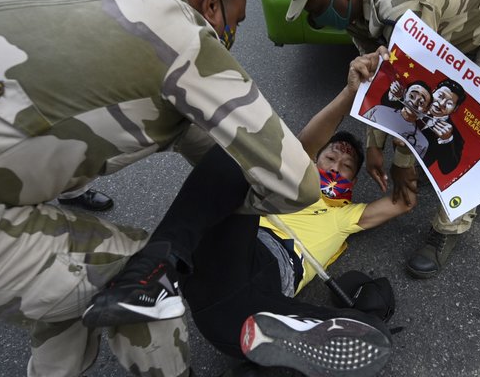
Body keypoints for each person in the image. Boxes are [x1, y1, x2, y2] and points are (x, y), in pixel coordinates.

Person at [0, 0, 321, 375]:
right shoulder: (176, 32)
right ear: (210, 4)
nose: (231, 33)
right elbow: (299, 183)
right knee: (141, 282)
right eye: (235, 22)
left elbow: (206, 147)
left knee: (70, 277)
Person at [86, 49, 418, 376]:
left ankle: (259, 363)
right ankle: (155, 269)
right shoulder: (294, 180)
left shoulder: (348, 216)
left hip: (263, 297)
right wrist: (350, 92)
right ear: (316, 160)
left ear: (354, 180)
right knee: (247, 153)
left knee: (370, 335)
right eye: (330, 158)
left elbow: (403, 202)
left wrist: (410, 141)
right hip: (232, 256)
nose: (336, 165)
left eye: (346, 167)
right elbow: (302, 145)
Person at [285, 0, 480, 277]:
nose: (321, 21)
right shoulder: (354, 13)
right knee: (430, 119)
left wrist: (402, 164)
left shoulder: (399, 6)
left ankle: (449, 226)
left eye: (319, 9)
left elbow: (418, 87)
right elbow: (379, 80)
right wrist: (374, 145)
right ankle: (429, 167)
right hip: (459, 20)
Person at [362, 80, 433, 158]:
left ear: (426, 110)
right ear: (405, 94)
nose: (414, 103)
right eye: (412, 96)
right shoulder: (378, 110)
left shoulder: (423, 143)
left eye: (421, 103)